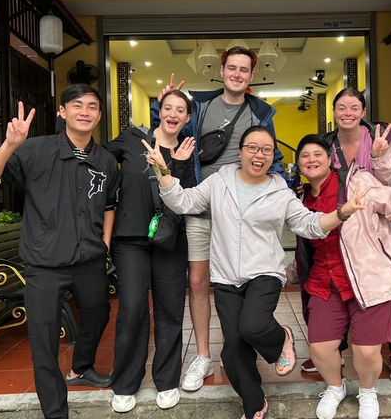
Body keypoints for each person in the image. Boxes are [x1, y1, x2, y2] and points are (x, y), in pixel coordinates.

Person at [143, 126, 367, 419]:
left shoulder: (280, 192)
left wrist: (342, 213)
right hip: (225, 276)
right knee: (233, 350)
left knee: (252, 326)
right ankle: (255, 403)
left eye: (266, 150)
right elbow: (185, 202)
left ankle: (282, 337)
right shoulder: (219, 181)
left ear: (272, 155)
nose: (258, 154)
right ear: (241, 152)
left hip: (265, 272)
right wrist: (163, 171)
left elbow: (309, 225)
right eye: (252, 147)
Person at [0, 84, 121, 419]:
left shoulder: (106, 160)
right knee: (43, 341)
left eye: (92, 107)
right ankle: (56, 412)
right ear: (62, 112)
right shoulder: (35, 150)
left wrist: (106, 243)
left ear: (99, 115)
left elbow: (110, 203)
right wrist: (11, 144)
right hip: (44, 263)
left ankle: (82, 367)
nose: (85, 112)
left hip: (89, 258)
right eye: (77, 106)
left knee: (98, 312)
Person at [150, 46, 284, 391]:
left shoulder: (260, 114)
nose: (237, 74)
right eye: (232, 68)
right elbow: (169, 126)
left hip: (242, 211)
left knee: (238, 282)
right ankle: (203, 355)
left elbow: (274, 156)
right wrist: (160, 105)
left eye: (244, 70)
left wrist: (279, 195)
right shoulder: (200, 105)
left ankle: (235, 349)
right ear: (221, 71)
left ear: (251, 76)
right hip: (202, 203)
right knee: (198, 281)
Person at [295, 134, 391, 419]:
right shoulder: (301, 197)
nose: (311, 160)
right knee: (320, 347)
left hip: (371, 278)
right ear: (299, 163)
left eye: (318, 154)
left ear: (329, 159)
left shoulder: (357, 183)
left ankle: (367, 390)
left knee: (366, 351)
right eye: (305, 156)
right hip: (325, 281)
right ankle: (335, 387)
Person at [300, 87, 391, 382]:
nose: (348, 113)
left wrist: (380, 158)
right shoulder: (326, 143)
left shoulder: (381, 137)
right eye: (341, 108)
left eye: (354, 108)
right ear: (334, 112)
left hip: (388, 217)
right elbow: (319, 177)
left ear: (363, 111)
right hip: (349, 225)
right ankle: (332, 348)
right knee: (336, 283)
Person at [104, 90, 196, 413]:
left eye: (181, 110)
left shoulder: (186, 150)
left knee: (171, 310)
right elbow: (97, 157)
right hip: (130, 238)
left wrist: (179, 167)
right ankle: (126, 383)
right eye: (168, 107)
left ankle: (167, 379)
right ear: (159, 110)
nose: (173, 114)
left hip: (170, 240)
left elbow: (188, 199)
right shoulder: (131, 138)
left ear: (187, 118)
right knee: (131, 308)